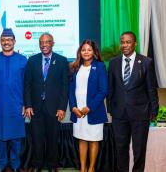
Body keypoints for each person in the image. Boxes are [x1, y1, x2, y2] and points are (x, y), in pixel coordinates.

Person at [108, 31, 159, 172]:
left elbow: (151, 89)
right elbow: (110, 88)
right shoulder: (113, 63)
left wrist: (154, 111)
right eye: (122, 42)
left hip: (140, 114)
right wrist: (111, 110)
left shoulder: (146, 62)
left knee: (139, 150)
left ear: (135, 44)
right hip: (119, 115)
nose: (125, 45)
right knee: (121, 149)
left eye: (128, 42)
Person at [24, 33, 69, 172]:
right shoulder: (32, 60)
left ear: (53, 43)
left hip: (54, 108)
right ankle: (37, 165)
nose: (44, 44)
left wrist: (62, 107)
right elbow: (27, 85)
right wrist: (28, 105)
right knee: (37, 139)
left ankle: (52, 165)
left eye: (47, 42)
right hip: (36, 108)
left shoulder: (62, 60)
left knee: (52, 139)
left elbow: (65, 86)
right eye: (42, 42)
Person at [0, 28, 27, 172]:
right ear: (0, 42)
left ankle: (15, 166)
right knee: (0, 138)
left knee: (16, 139)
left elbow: (27, 85)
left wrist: (26, 104)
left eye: (9, 40)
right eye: (3, 40)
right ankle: (1, 165)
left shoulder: (23, 60)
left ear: (14, 42)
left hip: (17, 106)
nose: (6, 42)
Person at [69, 40, 108, 172]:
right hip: (78, 111)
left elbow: (103, 90)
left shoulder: (100, 66)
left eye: (89, 49)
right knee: (82, 139)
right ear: (80, 52)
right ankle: (82, 168)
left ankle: (91, 169)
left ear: (94, 52)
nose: (86, 52)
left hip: (93, 110)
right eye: (84, 49)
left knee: (93, 140)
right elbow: (71, 90)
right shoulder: (75, 67)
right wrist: (73, 107)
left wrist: (89, 108)